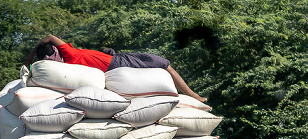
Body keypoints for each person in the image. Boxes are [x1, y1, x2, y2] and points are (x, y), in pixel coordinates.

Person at [25, 34, 207, 102]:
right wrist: (30, 57)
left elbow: (48, 38)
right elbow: (49, 37)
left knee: (164, 66)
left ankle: (191, 95)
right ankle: (192, 95)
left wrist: (30, 59)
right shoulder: (69, 57)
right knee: (166, 66)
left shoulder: (67, 59)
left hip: (115, 58)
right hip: (118, 62)